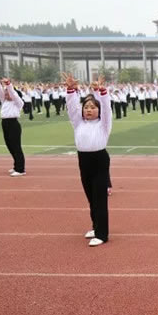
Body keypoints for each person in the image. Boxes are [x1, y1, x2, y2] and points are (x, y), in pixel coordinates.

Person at [63, 73, 113, 247]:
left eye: (92, 107)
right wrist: (71, 90)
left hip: (99, 160)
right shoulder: (78, 123)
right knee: (91, 197)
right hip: (83, 160)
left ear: (98, 110)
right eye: (86, 107)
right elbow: (71, 108)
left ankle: (102, 234)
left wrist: (102, 92)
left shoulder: (103, 124)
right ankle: (96, 226)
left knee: (100, 198)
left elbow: (107, 109)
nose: (89, 110)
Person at [0, 77, 26, 176]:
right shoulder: (4, 101)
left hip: (13, 124)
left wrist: (8, 84)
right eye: (5, 93)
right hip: (5, 123)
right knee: (9, 145)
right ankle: (16, 166)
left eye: (7, 92)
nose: (5, 94)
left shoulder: (18, 102)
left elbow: (14, 94)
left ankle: (20, 169)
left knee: (16, 146)